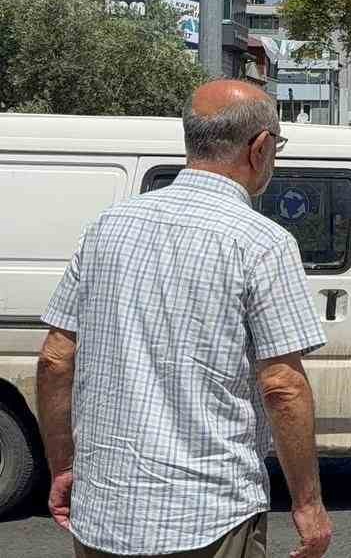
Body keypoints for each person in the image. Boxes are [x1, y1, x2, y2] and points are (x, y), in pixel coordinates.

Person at [34, 81, 332, 558]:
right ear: (260, 148)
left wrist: (64, 465)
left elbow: (54, 358)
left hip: (104, 510)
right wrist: (308, 505)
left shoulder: (107, 227)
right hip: (210, 515)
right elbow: (282, 386)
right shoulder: (262, 242)